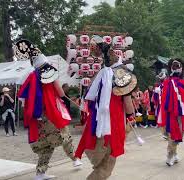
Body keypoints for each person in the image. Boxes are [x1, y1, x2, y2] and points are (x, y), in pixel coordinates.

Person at [15, 40, 81, 180]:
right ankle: (75, 159)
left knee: (46, 146)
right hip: (50, 113)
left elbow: (23, 97)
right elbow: (60, 92)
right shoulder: (49, 72)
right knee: (65, 135)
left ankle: (40, 173)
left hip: (37, 117)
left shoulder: (31, 76)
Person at [76, 47, 137, 179]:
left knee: (100, 152)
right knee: (108, 161)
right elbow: (127, 104)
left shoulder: (100, 75)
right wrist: (131, 116)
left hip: (96, 121)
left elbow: (90, 96)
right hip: (113, 122)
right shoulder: (121, 76)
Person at [158, 58, 184, 166]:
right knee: (173, 134)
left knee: (177, 134)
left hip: (180, 112)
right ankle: (170, 155)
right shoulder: (167, 81)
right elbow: (163, 98)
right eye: (175, 66)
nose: (176, 68)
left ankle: (174, 153)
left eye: (178, 66)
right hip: (170, 112)